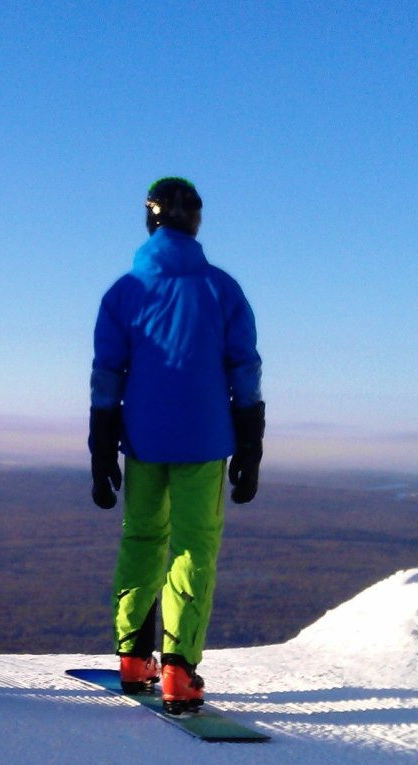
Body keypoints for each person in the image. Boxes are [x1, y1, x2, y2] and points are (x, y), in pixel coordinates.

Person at [89, 177, 264, 714]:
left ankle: (132, 658)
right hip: (206, 440)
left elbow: (108, 372)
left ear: (150, 220)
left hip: (141, 440)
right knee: (194, 548)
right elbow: (244, 368)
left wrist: (101, 445)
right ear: (196, 220)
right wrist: (251, 442)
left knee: (141, 539)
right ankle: (179, 672)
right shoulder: (222, 289)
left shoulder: (124, 292)